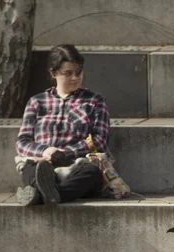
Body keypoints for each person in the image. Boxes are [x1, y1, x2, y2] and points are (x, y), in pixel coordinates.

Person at [15, 44, 108, 206]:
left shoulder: (94, 101)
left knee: (92, 173)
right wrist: (46, 150)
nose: (75, 77)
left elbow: (99, 140)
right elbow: (22, 142)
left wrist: (66, 153)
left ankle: (39, 196)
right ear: (54, 73)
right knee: (31, 170)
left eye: (78, 72)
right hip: (42, 164)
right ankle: (50, 193)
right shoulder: (37, 102)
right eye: (68, 73)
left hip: (76, 165)